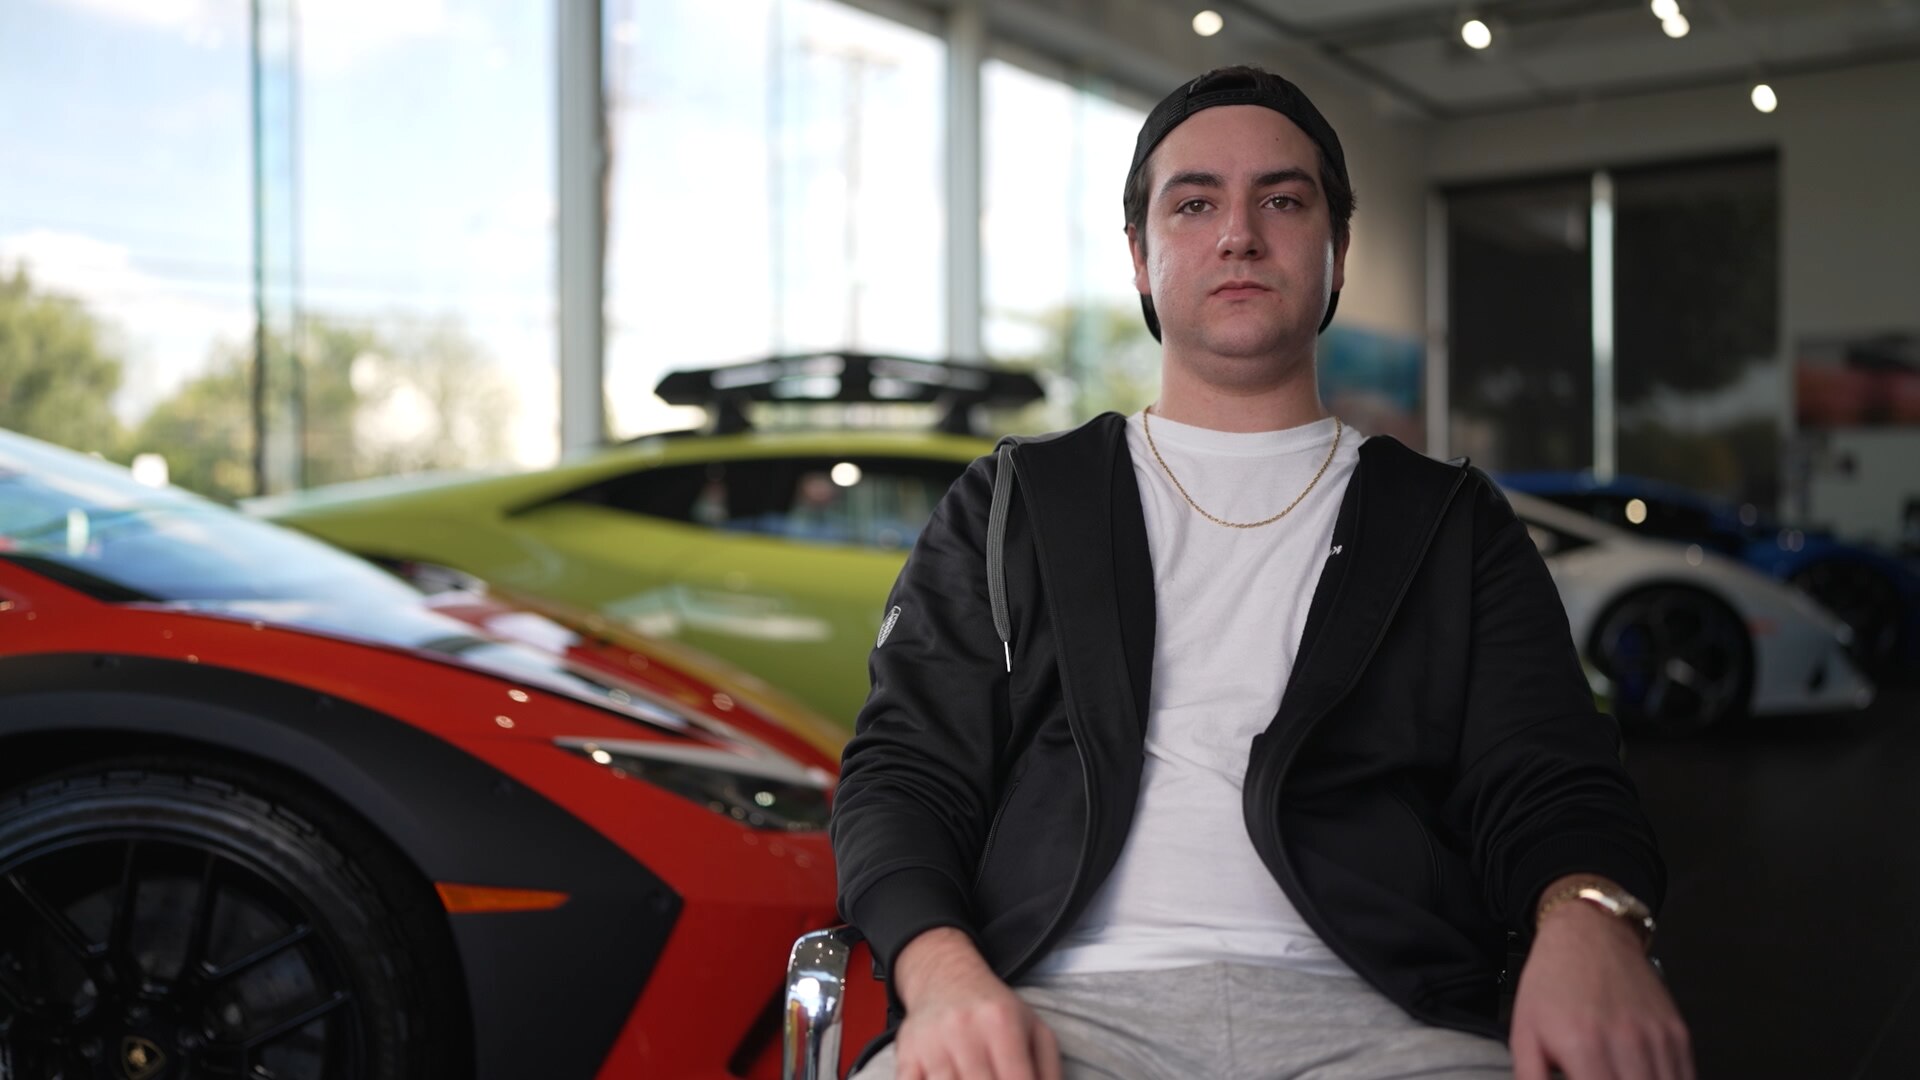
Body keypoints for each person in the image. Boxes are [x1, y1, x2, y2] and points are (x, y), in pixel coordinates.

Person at [831, 65, 1690, 1080]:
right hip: (1050, 1014)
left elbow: (1550, 777)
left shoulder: (1449, 521)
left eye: (1282, 199)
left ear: (1338, 249)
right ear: (1142, 259)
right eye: (1194, 203)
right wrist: (942, 979)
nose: (1239, 232)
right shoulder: (1015, 502)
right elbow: (905, 774)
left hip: (1388, 1024)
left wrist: (1588, 918)